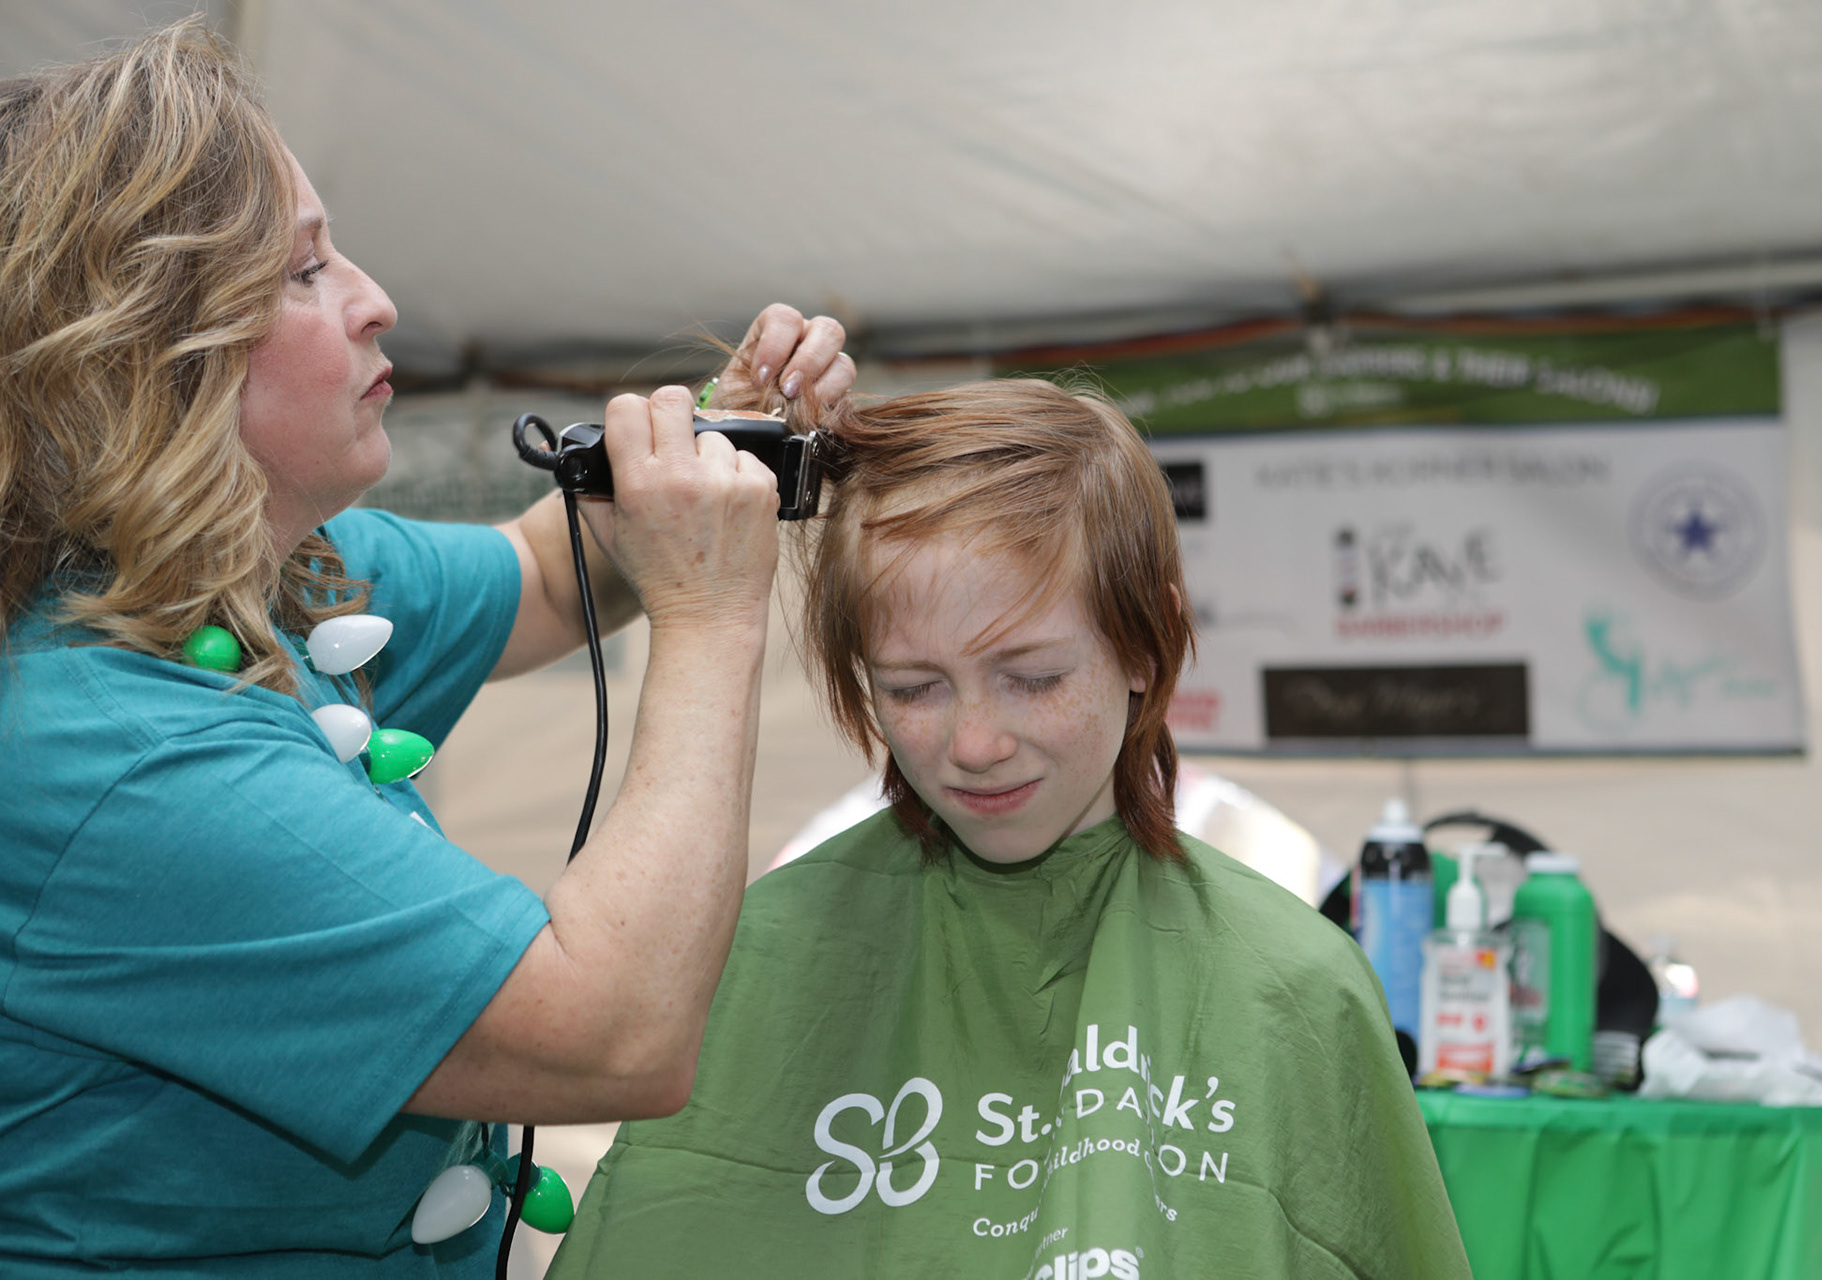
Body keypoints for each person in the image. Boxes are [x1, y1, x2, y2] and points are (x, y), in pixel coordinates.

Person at [0, 21, 854, 1276]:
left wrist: (716, 448)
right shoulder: (115, 756)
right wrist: (716, 612)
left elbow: (552, 572)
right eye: (304, 271)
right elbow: (616, 1032)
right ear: (149, 357)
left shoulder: (261, 572)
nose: (375, 300)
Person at [547, 380, 1471, 1278]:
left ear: (1146, 643)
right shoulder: (757, 954)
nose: (975, 745)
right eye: (913, 688)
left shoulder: (1301, 993)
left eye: (1033, 678)